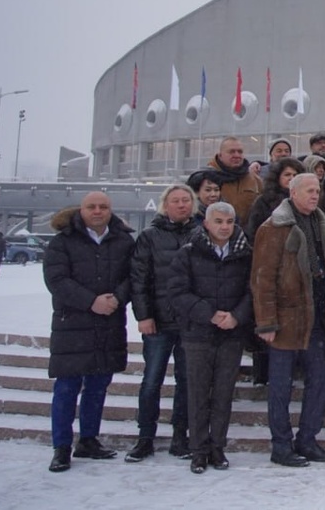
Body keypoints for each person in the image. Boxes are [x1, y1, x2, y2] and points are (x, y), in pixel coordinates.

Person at [251, 173, 325, 467]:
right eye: (309, 191)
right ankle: (281, 445)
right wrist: (267, 322)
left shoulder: (320, 222)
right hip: (285, 319)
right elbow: (262, 278)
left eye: (317, 190)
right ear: (293, 193)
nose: (315, 195)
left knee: (320, 380)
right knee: (281, 386)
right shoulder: (274, 227)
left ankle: (307, 439)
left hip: (315, 317)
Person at [43, 192, 135, 472]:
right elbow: (57, 280)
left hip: (109, 322)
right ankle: (61, 447)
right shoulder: (63, 241)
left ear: (110, 210)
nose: (97, 211)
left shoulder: (123, 241)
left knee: (98, 385)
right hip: (72, 323)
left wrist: (118, 298)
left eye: (103, 206)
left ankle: (88, 440)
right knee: (67, 387)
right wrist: (90, 301)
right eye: (91, 207)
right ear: (80, 210)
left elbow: (134, 276)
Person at [167, 201, 253, 474]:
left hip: (231, 334)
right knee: (198, 393)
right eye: (218, 221)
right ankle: (198, 450)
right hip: (198, 334)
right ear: (206, 223)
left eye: (229, 222)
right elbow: (178, 292)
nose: (224, 227)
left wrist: (237, 316)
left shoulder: (245, 253)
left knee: (223, 394)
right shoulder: (188, 253)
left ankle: (217, 447)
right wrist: (210, 314)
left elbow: (253, 290)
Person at [126, 184, 197, 463]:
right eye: (175, 201)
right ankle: (145, 437)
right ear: (165, 205)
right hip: (158, 321)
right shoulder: (149, 236)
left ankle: (181, 435)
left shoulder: (200, 233)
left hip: (190, 322)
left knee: (187, 381)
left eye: (186, 200)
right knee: (152, 380)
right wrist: (143, 315)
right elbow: (139, 278)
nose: (181, 205)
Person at [207, 137, 263, 228]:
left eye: (240, 152)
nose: (237, 155)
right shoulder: (206, 178)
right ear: (220, 155)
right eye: (231, 152)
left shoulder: (255, 181)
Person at [245, 157, 305, 242]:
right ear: (277, 177)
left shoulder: (305, 200)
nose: (292, 178)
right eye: (287, 175)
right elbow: (254, 231)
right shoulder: (264, 201)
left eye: (295, 175)